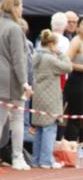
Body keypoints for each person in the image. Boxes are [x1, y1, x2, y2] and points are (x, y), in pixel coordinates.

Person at [0, 0, 32, 170]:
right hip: (13, 79)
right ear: (14, 7)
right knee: (17, 118)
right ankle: (17, 157)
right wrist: (24, 82)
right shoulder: (14, 29)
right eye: (20, 6)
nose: (22, 9)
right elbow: (19, 59)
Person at [30, 29, 72, 168]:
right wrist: (60, 53)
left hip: (38, 95)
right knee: (50, 127)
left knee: (39, 129)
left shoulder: (36, 55)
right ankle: (46, 160)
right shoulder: (50, 58)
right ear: (52, 44)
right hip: (51, 96)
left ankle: (36, 159)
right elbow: (68, 67)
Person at [63, 16, 83, 142]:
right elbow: (66, 62)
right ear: (79, 27)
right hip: (77, 82)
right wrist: (81, 67)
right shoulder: (76, 41)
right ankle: (70, 151)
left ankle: (80, 155)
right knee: (75, 117)